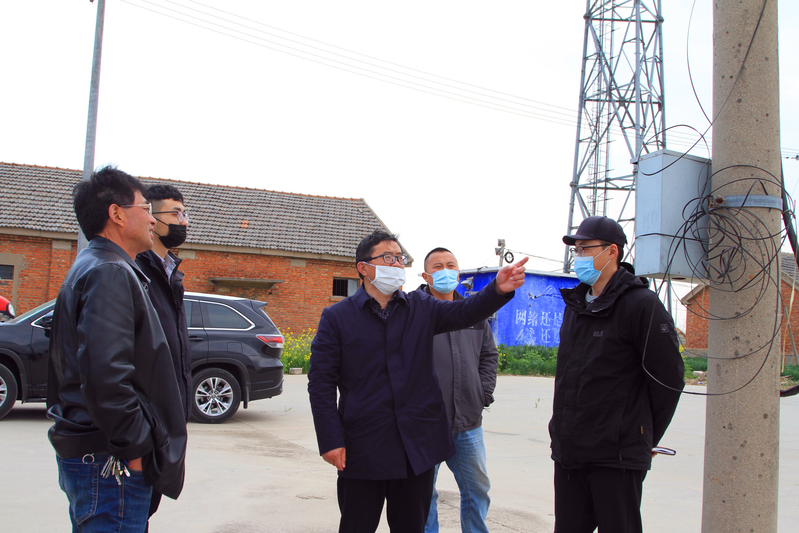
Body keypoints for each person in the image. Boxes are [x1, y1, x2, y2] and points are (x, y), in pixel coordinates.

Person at [308, 230, 527, 533]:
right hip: (363, 447)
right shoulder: (338, 317)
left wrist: (497, 290)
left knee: (412, 526)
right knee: (357, 525)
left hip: (416, 448)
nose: (397, 264)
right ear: (363, 267)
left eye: (400, 258)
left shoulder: (421, 307)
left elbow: (465, 312)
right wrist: (331, 440)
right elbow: (320, 383)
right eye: (388, 258)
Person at [47, 166, 188, 532]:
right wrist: (135, 448)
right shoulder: (109, 271)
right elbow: (106, 376)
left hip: (103, 457)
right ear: (116, 213)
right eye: (145, 209)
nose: (152, 220)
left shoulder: (97, 264)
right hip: (112, 463)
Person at [550, 216, 685, 533]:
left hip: (616, 455)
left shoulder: (641, 304)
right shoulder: (577, 305)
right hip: (570, 451)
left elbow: (668, 380)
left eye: (585, 248)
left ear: (612, 251)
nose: (579, 256)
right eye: (576, 250)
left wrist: (642, 435)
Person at [418, 247, 497, 533]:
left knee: (477, 490)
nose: (445, 271)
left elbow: (489, 355)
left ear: (459, 273)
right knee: (424, 494)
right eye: (438, 267)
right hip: (425, 424)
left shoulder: (475, 313)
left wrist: (483, 392)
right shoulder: (414, 312)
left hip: (468, 423)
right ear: (426, 276)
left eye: (451, 266)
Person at [135, 184, 192, 526]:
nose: (183, 221)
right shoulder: (135, 271)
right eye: (175, 213)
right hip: (143, 429)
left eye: (185, 214)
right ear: (151, 219)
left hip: (164, 424)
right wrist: (134, 443)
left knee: (143, 514)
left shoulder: (170, 273)